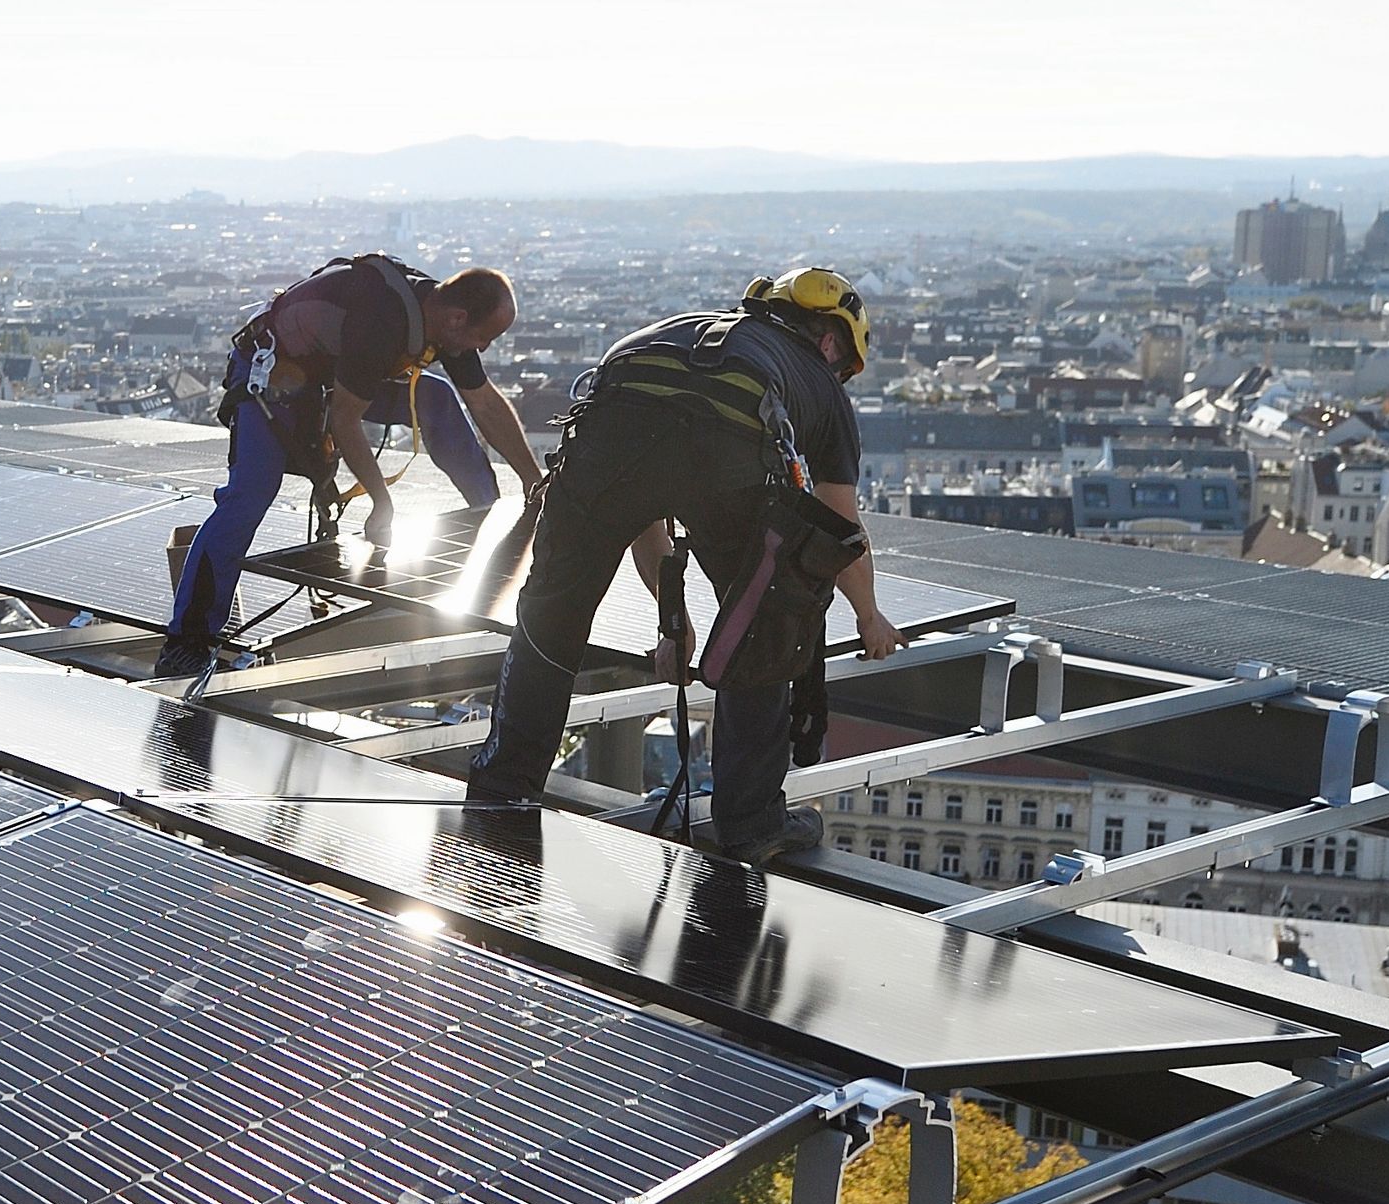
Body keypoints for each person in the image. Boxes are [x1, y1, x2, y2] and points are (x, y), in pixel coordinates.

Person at [461, 268, 910, 865]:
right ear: (832, 341)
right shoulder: (818, 388)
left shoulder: (670, 334)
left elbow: (643, 501)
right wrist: (869, 615)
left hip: (609, 424)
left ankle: (503, 783)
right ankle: (750, 822)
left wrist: (672, 621)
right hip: (728, 448)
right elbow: (840, 531)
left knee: (550, 614)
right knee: (766, 621)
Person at [163, 256, 544, 672]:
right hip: (273, 375)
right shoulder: (381, 321)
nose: (483, 348)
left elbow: (484, 401)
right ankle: (188, 636)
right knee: (249, 494)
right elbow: (346, 420)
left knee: (439, 400)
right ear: (457, 319)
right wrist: (382, 502)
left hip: (329, 373)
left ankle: (487, 519)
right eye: (484, 338)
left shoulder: (437, 314)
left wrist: (533, 480)